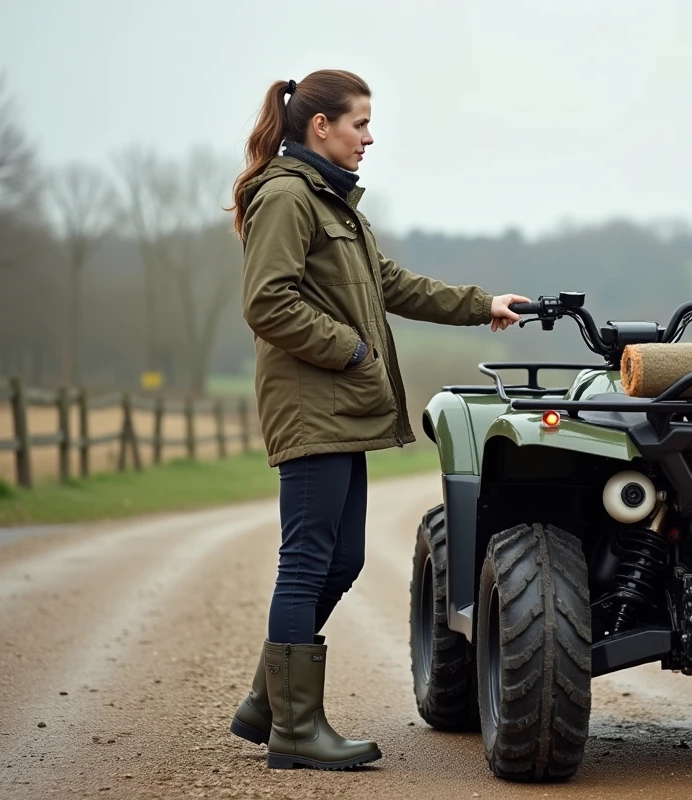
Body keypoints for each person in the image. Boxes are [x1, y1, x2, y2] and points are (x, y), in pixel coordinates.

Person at [225, 68, 529, 772]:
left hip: (341, 408)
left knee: (344, 560)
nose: (369, 137)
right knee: (307, 563)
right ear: (320, 126)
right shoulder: (287, 197)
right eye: (359, 123)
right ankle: (295, 730)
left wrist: (481, 304)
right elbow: (266, 301)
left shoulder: (333, 202)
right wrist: (352, 349)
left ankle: (267, 704)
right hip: (313, 406)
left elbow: (391, 284)